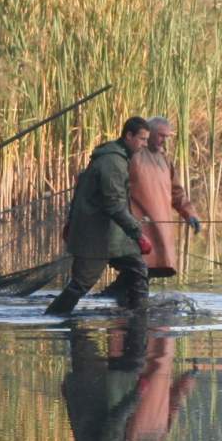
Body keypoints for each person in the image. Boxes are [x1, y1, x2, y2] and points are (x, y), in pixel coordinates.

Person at [46, 117, 155, 316]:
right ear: (128, 136)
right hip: (97, 236)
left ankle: (139, 315)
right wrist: (138, 234)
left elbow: (82, 191)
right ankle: (53, 318)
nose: (145, 145)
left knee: (137, 268)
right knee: (81, 284)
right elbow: (114, 205)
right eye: (142, 139)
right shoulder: (113, 162)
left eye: (147, 140)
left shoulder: (116, 156)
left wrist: (71, 221)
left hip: (111, 235)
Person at [130, 115, 202, 278]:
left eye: (167, 137)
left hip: (162, 226)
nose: (164, 140)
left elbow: (177, 193)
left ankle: (133, 300)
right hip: (139, 225)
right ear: (149, 133)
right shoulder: (133, 155)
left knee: (147, 272)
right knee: (137, 269)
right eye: (161, 135)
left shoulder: (164, 159)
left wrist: (190, 214)